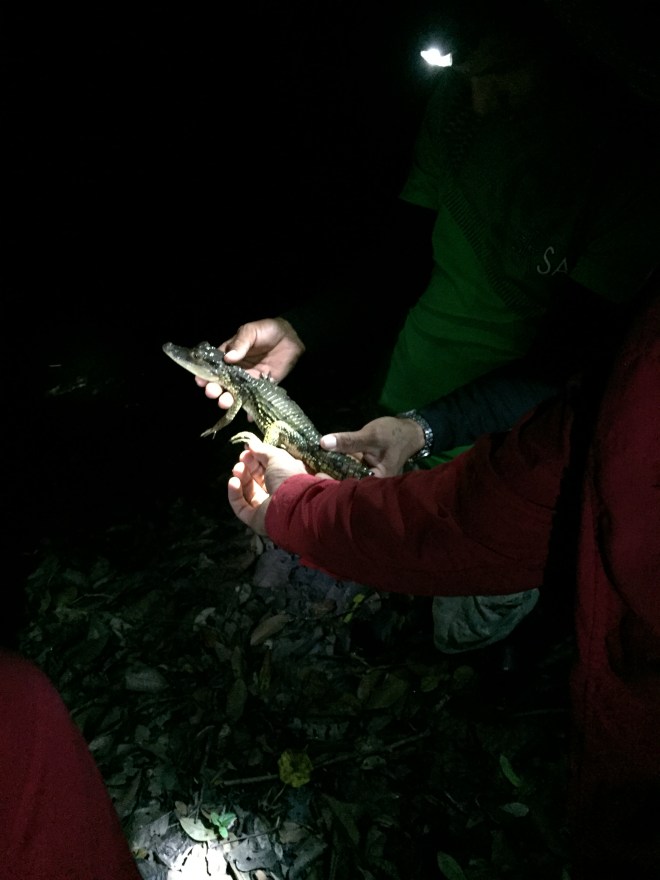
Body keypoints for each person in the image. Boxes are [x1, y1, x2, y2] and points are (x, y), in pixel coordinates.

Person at [194, 0, 660, 652]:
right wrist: (301, 327)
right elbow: (403, 252)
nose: (480, 100)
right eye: (463, 74)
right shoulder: (462, 103)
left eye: (503, 73)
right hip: (406, 399)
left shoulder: (630, 165)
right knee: (390, 543)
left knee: (465, 615)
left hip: (507, 445)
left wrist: (426, 426)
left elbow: (563, 369)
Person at [226, 276, 660, 878]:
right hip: (437, 462)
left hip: (474, 514)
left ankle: (505, 658)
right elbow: (575, 409)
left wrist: (296, 507)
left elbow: (487, 511)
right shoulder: (629, 373)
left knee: (467, 626)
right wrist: (420, 426)